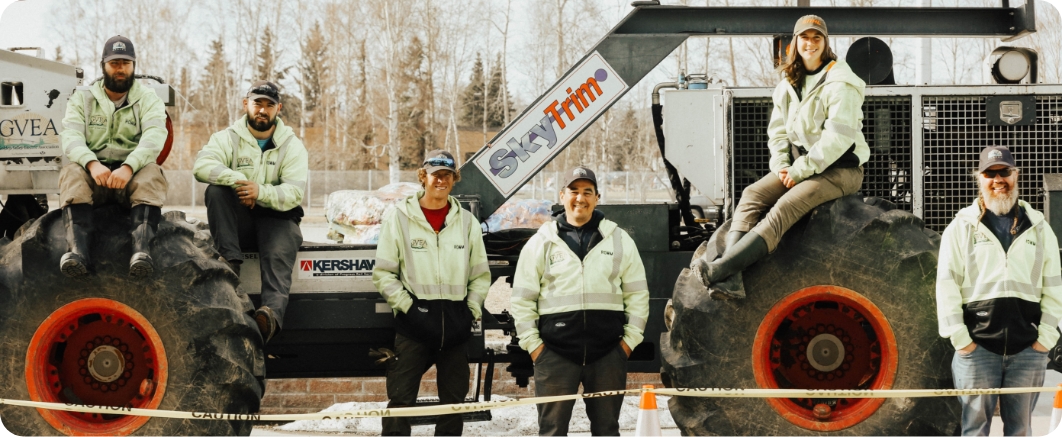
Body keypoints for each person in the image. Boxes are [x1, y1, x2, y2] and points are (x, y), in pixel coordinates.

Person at [692, 15, 868, 299]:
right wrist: (783, 166)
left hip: (840, 171)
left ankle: (720, 269)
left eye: (816, 38)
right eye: (804, 38)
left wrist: (798, 172)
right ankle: (731, 276)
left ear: (825, 43)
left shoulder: (841, 81)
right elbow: (777, 134)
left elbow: (838, 140)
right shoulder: (789, 82)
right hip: (803, 166)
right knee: (752, 194)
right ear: (794, 42)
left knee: (783, 208)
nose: (810, 43)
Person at [511, 166, 649, 436]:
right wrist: (535, 348)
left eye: (587, 192)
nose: (580, 198)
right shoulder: (541, 242)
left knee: (607, 430)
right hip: (554, 355)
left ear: (597, 197)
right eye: (574, 191)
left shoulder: (619, 239)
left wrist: (627, 344)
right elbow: (522, 300)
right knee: (552, 431)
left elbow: (638, 295)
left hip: (608, 355)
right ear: (562, 196)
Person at [936, 145, 1062, 436]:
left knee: (1020, 431)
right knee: (975, 429)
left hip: (1027, 352)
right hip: (977, 350)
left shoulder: (1039, 228)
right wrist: (961, 341)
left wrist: (1045, 340)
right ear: (979, 178)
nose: (998, 179)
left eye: (1004, 172)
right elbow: (946, 286)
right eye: (990, 173)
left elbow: (1054, 288)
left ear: (1016, 175)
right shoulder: (960, 228)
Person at [372, 150, 490, 436]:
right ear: (423, 177)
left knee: (453, 405)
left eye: (447, 176)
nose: (441, 181)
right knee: (400, 401)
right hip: (414, 325)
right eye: (436, 175)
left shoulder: (466, 223)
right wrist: (410, 310)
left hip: (455, 325)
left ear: (454, 180)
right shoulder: (399, 218)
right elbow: (383, 273)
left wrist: (470, 311)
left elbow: (480, 276)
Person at [193, 80, 308, 343]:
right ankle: (230, 265)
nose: (262, 111)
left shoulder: (292, 146)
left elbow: (294, 193)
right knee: (216, 191)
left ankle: (270, 317)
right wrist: (239, 182)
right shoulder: (227, 138)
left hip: (278, 219)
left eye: (269, 105)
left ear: (278, 109)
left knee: (279, 261)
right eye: (258, 104)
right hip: (239, 223)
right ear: (246, 104)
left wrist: (261, 192)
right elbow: (202, 166)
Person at [58, 35, 169, 279]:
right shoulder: (82, 99)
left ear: (134, 66)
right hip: (94, 177)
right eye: (115, 63)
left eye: (126, 63)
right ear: (103, 66)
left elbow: (154, 137)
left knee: (152, 173)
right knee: (71, 173)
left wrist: (129, 167)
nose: (120, 69)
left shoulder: (149, 99)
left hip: (130, 179)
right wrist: (92, 164)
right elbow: (71, 138)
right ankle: (77, 253)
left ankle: (141, 252)